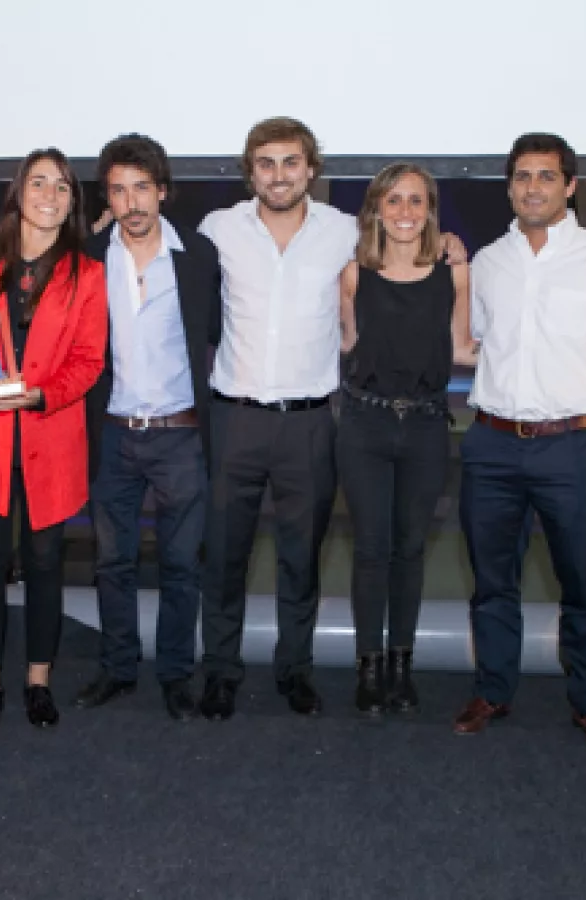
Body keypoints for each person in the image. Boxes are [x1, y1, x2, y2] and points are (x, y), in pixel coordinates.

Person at [196, 117, 467, 720]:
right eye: (266, 163)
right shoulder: (218, 228)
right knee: (224, 558)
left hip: (311, 424)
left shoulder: (345, 233)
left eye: (291, 162)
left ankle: (295, 672)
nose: (279, 175)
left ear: (311, 170)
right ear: (250, 172)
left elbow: (405, 251)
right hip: (234, 421)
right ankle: (219, 673)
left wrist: (447, 244)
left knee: (301, 558)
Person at [452, 133, 586, 751]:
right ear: (509, 187)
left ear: (570, 186)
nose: (533, 188)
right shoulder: (489, 262)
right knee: (491, 581)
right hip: (491, 445)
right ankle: (493, 690)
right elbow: (475, 344)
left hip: (570, 449)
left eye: (546, 176)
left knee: (582, 582)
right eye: (523, 176)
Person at [0, 149, 108, 730]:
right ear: (18, 192)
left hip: (49, 436)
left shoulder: (87, 273)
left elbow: (88, 360)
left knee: (44, 562)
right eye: (38, 183)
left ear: (72, 201)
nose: (49, 196)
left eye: (61, 187)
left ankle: (38, 680)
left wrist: (41, 395)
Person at [75, 134, 221, 720]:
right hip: (112, 434)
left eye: (141, 188)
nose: (131, 202)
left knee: (183, 566)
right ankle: (118, 667)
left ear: (162, 191)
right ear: (106, 197)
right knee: (113, 563)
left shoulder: (199, 257)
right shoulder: (86, 257)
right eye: (118, 190)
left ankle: (176, 674)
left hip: (181, 435)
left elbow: (216, 330)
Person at [336, 163, 477, 716]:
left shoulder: (455, 273)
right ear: (376, 209)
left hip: (425, 427)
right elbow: (348, 344)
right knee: (371, 550)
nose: (404, 212)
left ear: (430, 210)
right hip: (364, 426)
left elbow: (462, 348)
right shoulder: (353, 274)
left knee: (410, 550)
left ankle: (401, 665)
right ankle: (369, 668)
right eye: (393, 200)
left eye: (416, 201)